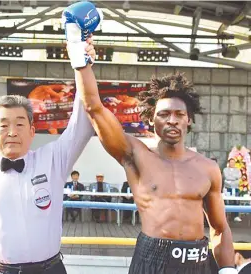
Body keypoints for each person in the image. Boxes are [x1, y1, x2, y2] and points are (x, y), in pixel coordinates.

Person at [63, 4, 237, 272]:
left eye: (179, 114)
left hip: (198, 262)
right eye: (164, 114)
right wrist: (79, 56)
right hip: (152, 259)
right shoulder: (136, 155)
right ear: (151, 120)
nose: (172, 120)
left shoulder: (208, 168)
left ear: (188, 119)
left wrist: (227, 269)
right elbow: (94, 108)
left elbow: (220, 227)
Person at [0, 4, 100, 271]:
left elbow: (83, 121)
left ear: (32, 131)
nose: (12, 132)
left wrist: (82, 64)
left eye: (20, 124)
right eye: (4, 125)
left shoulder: (53, 159)